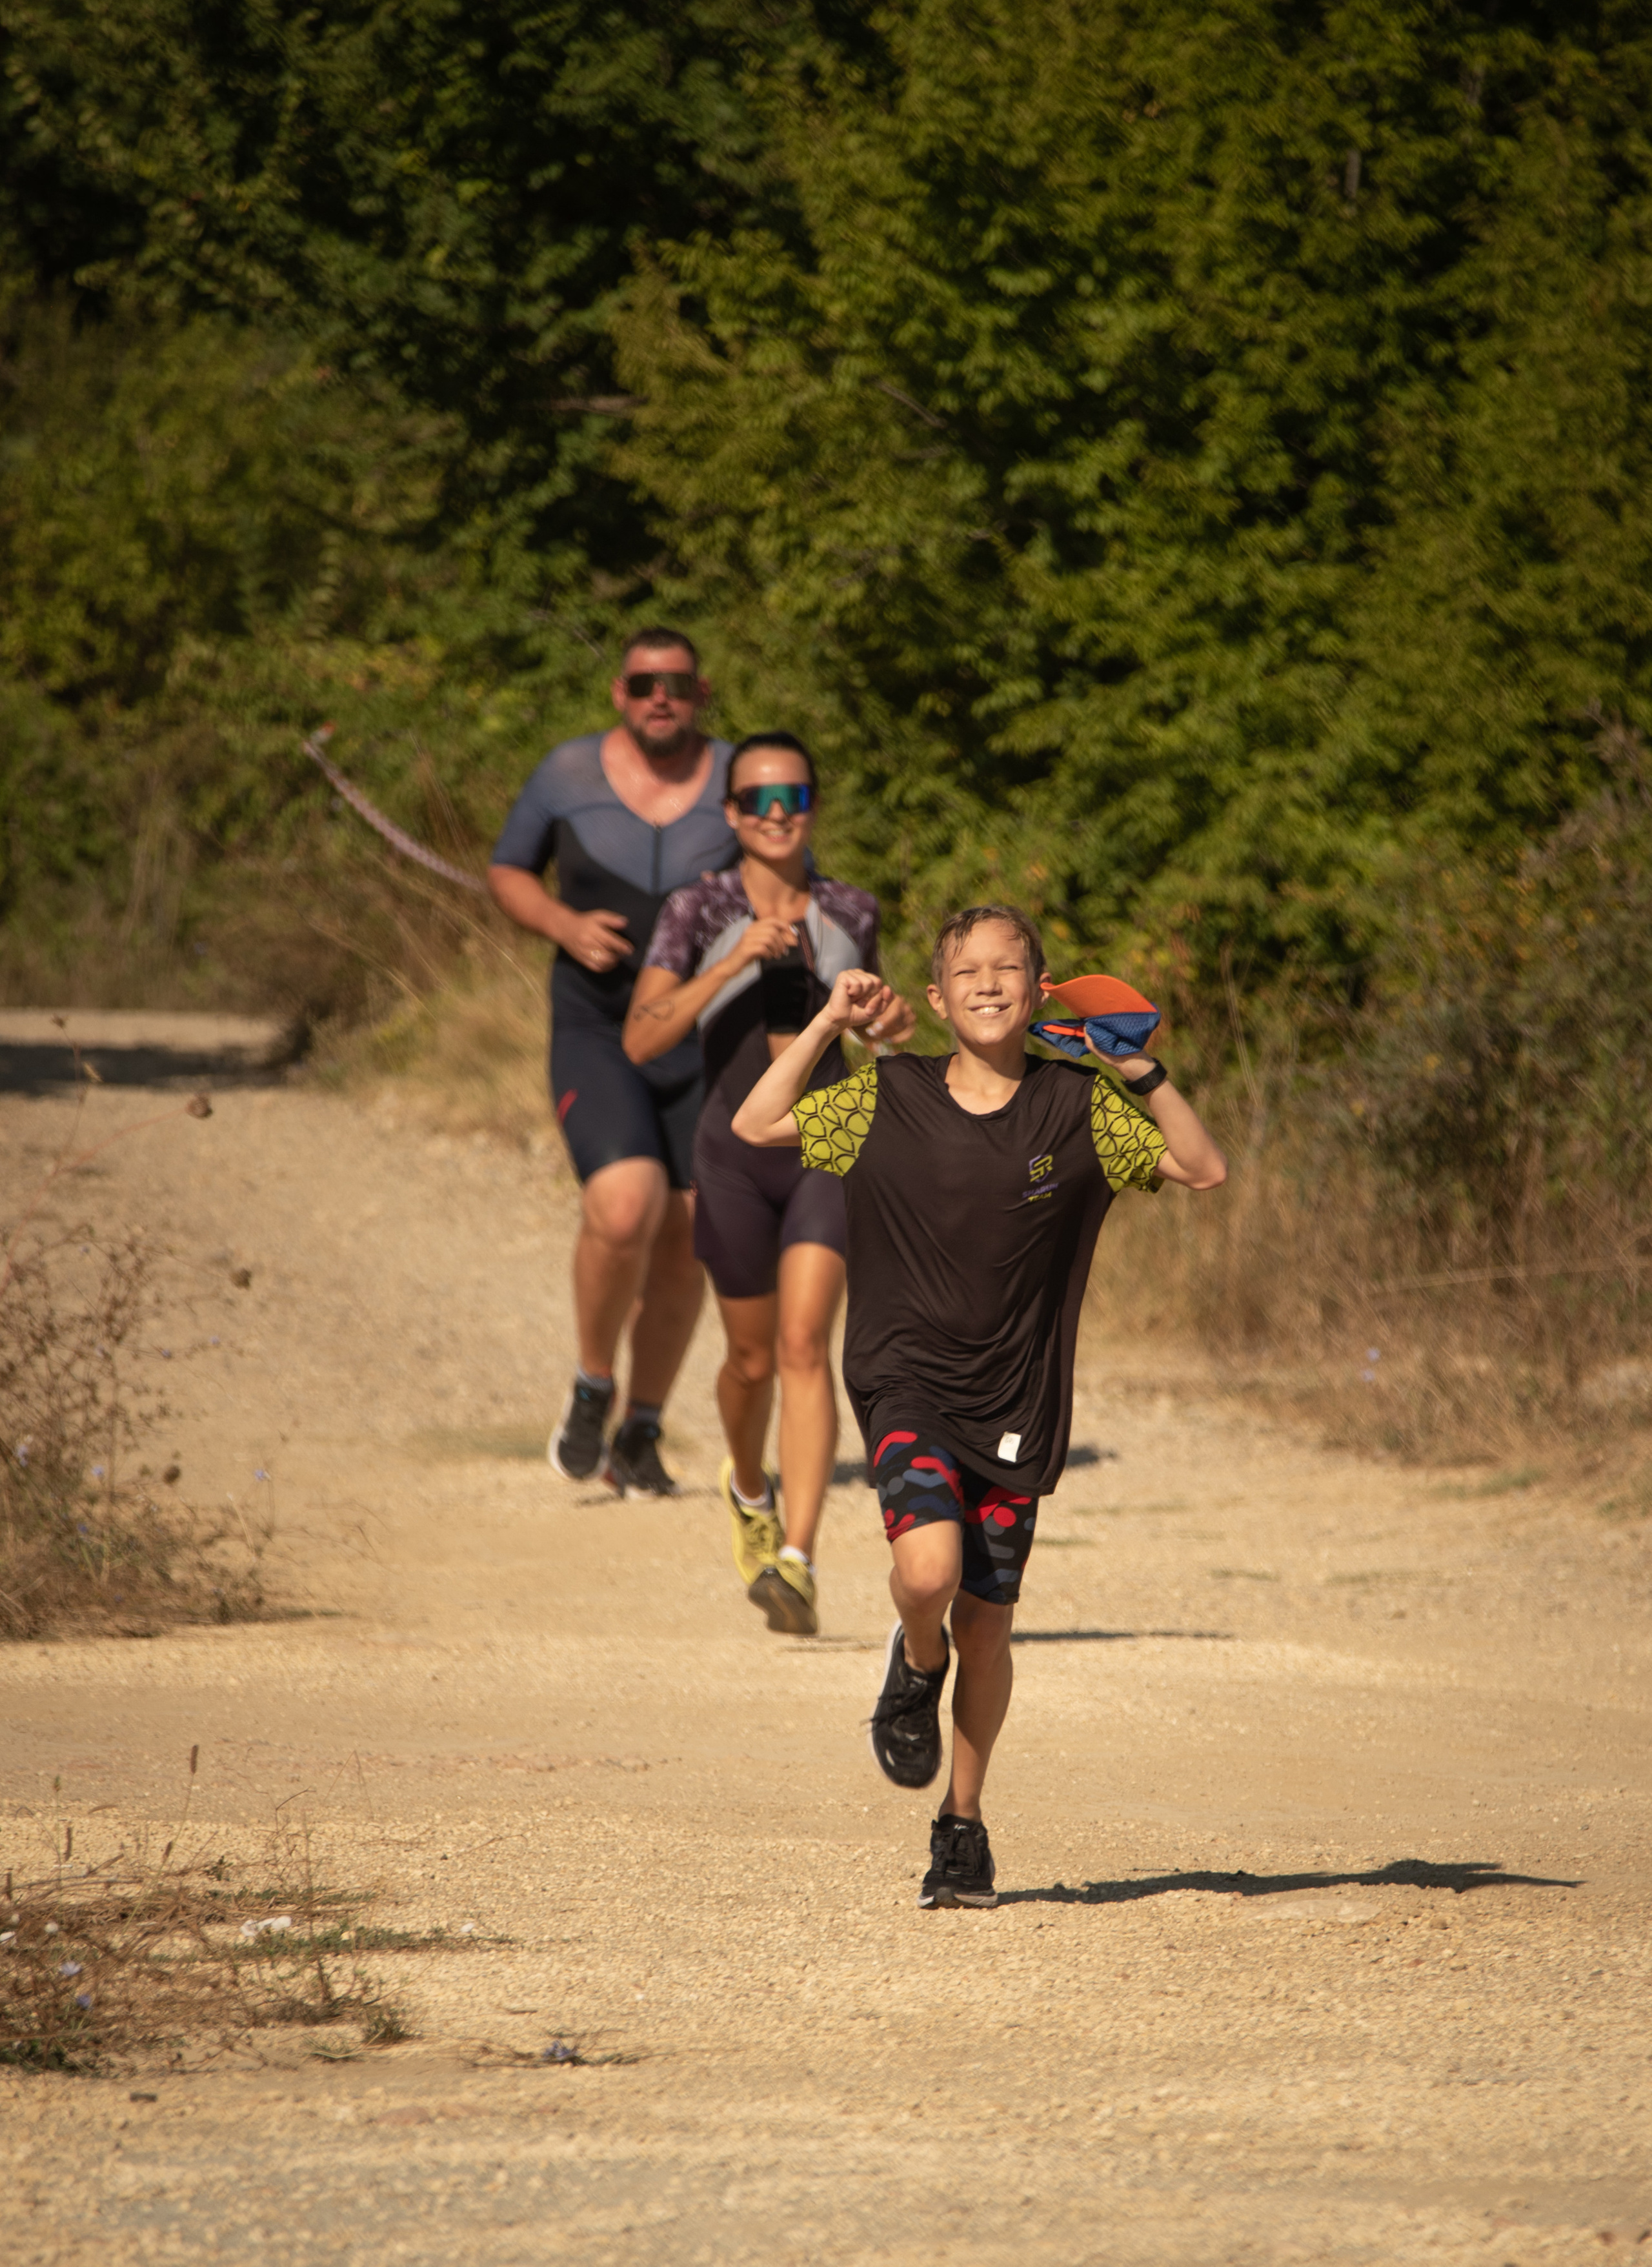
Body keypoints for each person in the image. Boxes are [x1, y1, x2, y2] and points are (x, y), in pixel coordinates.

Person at [732, 904, 1227, 1908]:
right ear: (937, 997)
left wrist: (1138, 1069)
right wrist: (829, 1023)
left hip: (1019, 1400)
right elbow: (757, 1124)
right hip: (904, 1376)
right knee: (930, 1572)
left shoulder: (1079, 1106)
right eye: (968, 971)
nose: (990, 983)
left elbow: (1201, 1166)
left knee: (990, 1632)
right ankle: (916, 1664)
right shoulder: (888, 1095)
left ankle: (962, 1822)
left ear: (1041, 990)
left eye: (1010, 968)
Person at [623, 734, 915, 1635]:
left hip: (828, 1144)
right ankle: (746, 1485)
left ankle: (798, 1558)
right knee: (750, 1359)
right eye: (758, 799)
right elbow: (641, 1040)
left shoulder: (851, 908)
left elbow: (868, 1035)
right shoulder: (697, 906)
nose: (777, 813)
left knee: (802, 1344)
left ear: (814, 805)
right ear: (732, 815)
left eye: (793, 795)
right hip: (732, 1155)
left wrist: (887, 1025)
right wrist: (735, 960)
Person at [489, 629, 735, 1498]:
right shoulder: (568, 773)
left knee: (691, 1233)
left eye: (675, 683)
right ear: (618, 694)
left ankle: (642, 1428)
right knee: (625, 1203)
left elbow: (791, 881)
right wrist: (563, 926)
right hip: (597, 1022)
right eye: (642, 683)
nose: (658, 696)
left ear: (701, 693)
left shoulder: (741, 779)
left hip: (704, 1033)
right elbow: (508, 871)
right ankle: (595, 1385)